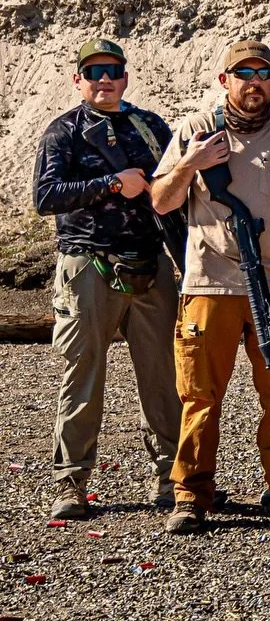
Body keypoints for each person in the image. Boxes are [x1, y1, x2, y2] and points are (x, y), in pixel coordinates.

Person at [150, 40, 270, 534]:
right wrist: (190, 163)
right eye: (243, 73)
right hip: (210, 284)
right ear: (224, 80)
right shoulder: (194, 130)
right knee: (200, 396)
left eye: (263, 73)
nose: (254, 82)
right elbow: (162, 202)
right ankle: (190, 497)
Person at [31, 39, 182, 522]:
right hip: (87, 264)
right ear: (78, 79)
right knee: (83, 375)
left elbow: (176, 186)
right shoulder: (64, 132)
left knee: (163, 377)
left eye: (112, 70)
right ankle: (70, 483)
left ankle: (172, 480)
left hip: (150, 264)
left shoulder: (151, 126)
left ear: (125, 76)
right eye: (93, 71)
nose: (104, 79)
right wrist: (112, 183)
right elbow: (46, 195)